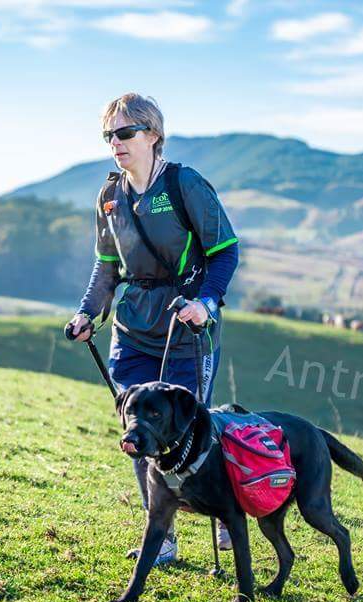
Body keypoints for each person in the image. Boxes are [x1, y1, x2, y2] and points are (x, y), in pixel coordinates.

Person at [64, 93, 240, 565]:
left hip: (186, 328)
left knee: (189, 431)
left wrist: (206, 302)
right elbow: (106, 267)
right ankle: (161, 538)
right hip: (133, 331)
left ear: (153, 135)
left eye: (125, 133)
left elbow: (225, 251)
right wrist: (86, 314)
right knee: (140, 435)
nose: (115, 143)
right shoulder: (109, 198)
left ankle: (225, 508)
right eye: (109, 135)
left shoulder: (185, 185)